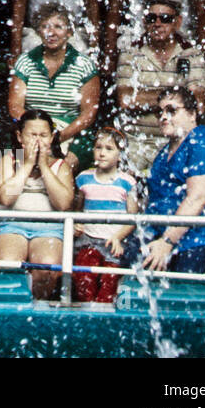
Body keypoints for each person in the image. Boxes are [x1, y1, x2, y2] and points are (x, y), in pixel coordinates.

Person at [140, 86, 205, 276]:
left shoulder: (202, 144)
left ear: (192, 114)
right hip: (167, 238)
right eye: (159, 112)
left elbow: (197, 198)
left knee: (185, 295)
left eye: (171, 110)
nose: (163, 117)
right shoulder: (163, 154)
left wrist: (167, 242)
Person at [115, 0, 205, 175]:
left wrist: (144, 96)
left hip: (178, 141)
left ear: (177, 22)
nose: (157, 24)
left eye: (165, 18)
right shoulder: (130, 53)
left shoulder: (192, 54)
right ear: (144, 22)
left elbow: (198, 104)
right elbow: (125, 100)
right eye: (152, 18)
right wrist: (176, 96)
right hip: (136, 142)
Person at [0, 110, 75, 300]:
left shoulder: (61, 166)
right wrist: (27, 165)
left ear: (52, 138)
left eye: (43, 136)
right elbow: (5, 198)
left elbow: (63, 203)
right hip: (10, 225)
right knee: (8, 265)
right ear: (20, 137)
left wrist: (44, 166)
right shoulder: (7, 160)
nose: (38, 141)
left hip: (49, 229)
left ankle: (37, 310)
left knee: (46, 268)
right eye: (32, 135)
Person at [8, 3, 100, 171]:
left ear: (69, 32)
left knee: (67, 163)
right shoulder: (25, 62)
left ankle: (65, 179)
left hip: (69, 131)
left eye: (58, 27)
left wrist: (58, 136)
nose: (51, 32)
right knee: (17, 149)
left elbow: (89, 113)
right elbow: (15, 106)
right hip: (33, 127)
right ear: (38, 32)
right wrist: (37, 130)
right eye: (45, 27)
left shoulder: (84, 65)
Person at [73, 127, 139, 303]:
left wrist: (118, 237)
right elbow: (77, 210)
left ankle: (103, 318)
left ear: (120, 154)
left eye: (109, 149)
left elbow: (133, 218)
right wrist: (76, 225)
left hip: (114, 242)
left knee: (109, 285)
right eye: (98, 147)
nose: (102, 153)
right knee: (83, 279)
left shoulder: (127, 182)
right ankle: (86, 315)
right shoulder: (83, 178)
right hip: (88, 239)